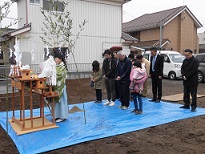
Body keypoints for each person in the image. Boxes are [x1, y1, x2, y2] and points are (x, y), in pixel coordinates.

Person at [53, 51, 68, 123]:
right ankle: (56, 115)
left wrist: (53, 74)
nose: (55, 60)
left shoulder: (62, 67)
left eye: (56, 58)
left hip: (61, 87)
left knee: (61, 101)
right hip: (57, 87)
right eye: (55, 58)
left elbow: (60, 76)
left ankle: (63, 116)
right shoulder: (56, 66)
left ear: (60, 59)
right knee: (56, 101)